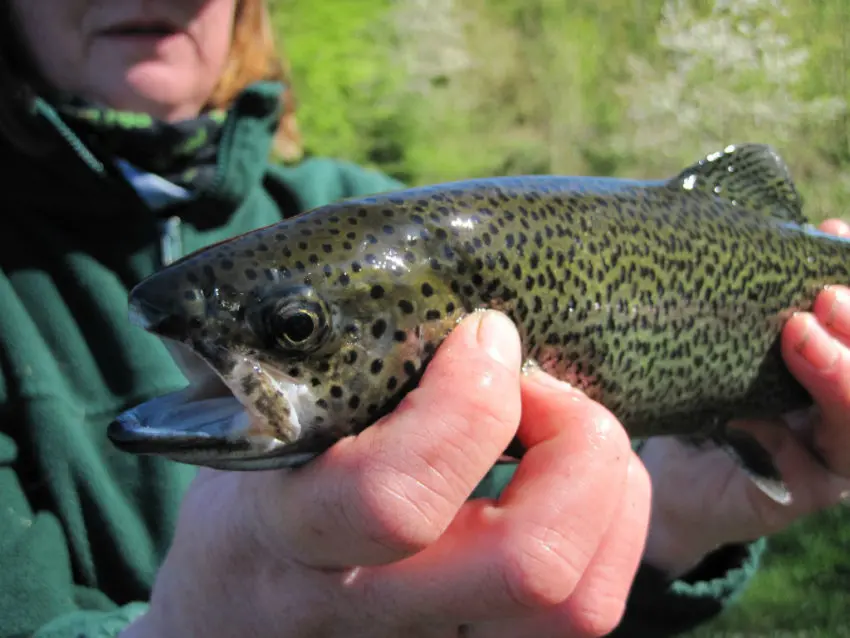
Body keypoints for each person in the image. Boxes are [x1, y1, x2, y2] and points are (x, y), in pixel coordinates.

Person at [0, 1, 848, 637]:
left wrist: (676, 520)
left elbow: (510, 593)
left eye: (294, 332)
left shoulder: (349, 204)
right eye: (298, 329)